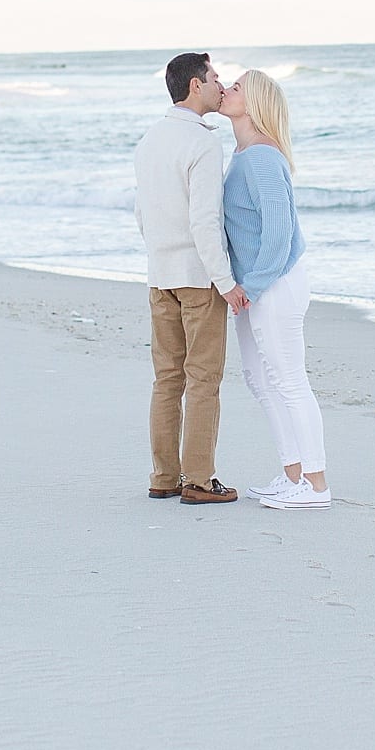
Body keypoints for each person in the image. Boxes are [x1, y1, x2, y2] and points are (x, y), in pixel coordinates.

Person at [133, 52, 249, 505]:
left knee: (167, 380)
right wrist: (226, 282)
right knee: (203, 379)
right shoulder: (201, 143)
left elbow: (142, 213)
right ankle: (199, 480)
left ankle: (164, 476)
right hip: (198, 280)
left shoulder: (150, 139)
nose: (221, 85)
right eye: (215, 78)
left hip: (159, 275)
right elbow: (205, 222)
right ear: (195, 86)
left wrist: (160, 256)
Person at [221, 69, 330, 509]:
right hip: (256, 285)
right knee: (259, 378)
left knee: (288, 381)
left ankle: (317, 486)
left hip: (275, 282)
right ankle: (293, 475)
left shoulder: (262, 157)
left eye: (238, 86)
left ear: (256, 101)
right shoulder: (242, 153)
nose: (227, 88)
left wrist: (252, 286)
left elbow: (280, 233)